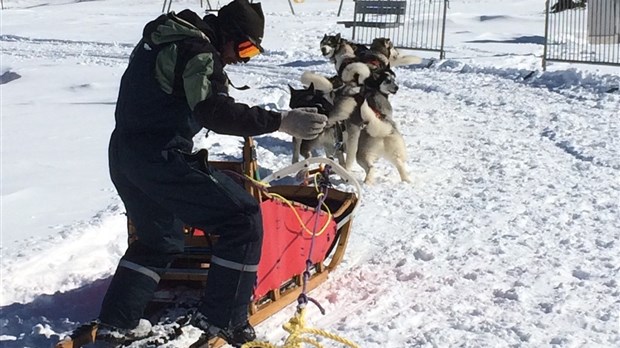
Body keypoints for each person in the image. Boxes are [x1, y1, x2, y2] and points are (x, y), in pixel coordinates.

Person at [98, 0, 327, 346]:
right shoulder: (199, 53)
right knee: (242, 218)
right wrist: (281, 121)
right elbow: (215, 112)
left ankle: (118, 322)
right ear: (229, 34)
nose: (241, 58)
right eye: (244, 47)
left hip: (124, 156)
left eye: (252, 53)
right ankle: (224, 318)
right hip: (161, 157)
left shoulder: (164, 38)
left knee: (160, 240)